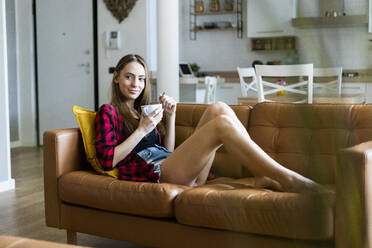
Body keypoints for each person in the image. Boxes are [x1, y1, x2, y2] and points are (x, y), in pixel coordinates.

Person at [95, 54, 323, 193]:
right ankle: (287, 178)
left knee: (219, 108)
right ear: (116, 77)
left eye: (142, 78)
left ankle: (263, 174)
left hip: (175, 169)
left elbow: (169, 153)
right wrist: (143, 129)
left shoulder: (141, 112)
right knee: (221, 123)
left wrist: (170, 116)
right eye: (129, 76)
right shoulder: (109, 112)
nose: (136, 83)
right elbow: (107, 160)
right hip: (158, 175)